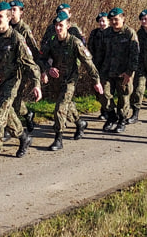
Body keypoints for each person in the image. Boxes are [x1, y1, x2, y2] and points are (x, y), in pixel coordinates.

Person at [0, 2, 42, 170]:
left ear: (9, 18)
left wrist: (36, 84)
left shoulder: (16, 38)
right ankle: (24, 137)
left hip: (12, 83)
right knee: (9, 115)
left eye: (0, 17)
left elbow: (31, 64)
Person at [38, 11, 104, 150]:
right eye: (56, 25)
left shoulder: (75, 42)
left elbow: (88, 62)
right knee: (67, 106)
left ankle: (58, 138)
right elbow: (42, 59)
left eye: (61, 25)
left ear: (68, 26)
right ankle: (80, 123)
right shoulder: (52, 41)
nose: (58, 28)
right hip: (56, 80)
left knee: (60, 108)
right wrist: (48, 69)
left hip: (70, 80)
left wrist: (96, 81)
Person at [100, 8, 139, 133]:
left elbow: (135, 55)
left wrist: (129, 72)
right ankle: (112, 117)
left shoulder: (129, 33)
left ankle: (122, 120)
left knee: (123, 98)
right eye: (111, 20)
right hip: (107, 70)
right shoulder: (106, 33)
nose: (114, 22)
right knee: (104, 95)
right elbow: (100, 53)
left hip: (123, 72)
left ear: (123, 18)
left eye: (116, 19)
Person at [9, 0, 41, 132]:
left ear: (21, 12)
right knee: (14, 99)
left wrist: (40, 72)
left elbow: (34, 50)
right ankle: (27, 114)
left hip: (22, 70)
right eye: (10, 9)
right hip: (8, 70)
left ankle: (11, 128)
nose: (11, 12)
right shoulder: (6, 26)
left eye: (14, 9)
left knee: (14, 98)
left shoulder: (24, 30)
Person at [87, 11, 111, 123]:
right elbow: (90, 47)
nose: (102, 23)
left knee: (105, 89)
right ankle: (104, 109)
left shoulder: (111, 32)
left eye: (104, 21)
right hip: (96, 63)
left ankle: (109, 111)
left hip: (108, 65)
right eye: (100, 21)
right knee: (97, 89)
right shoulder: (95, 33)